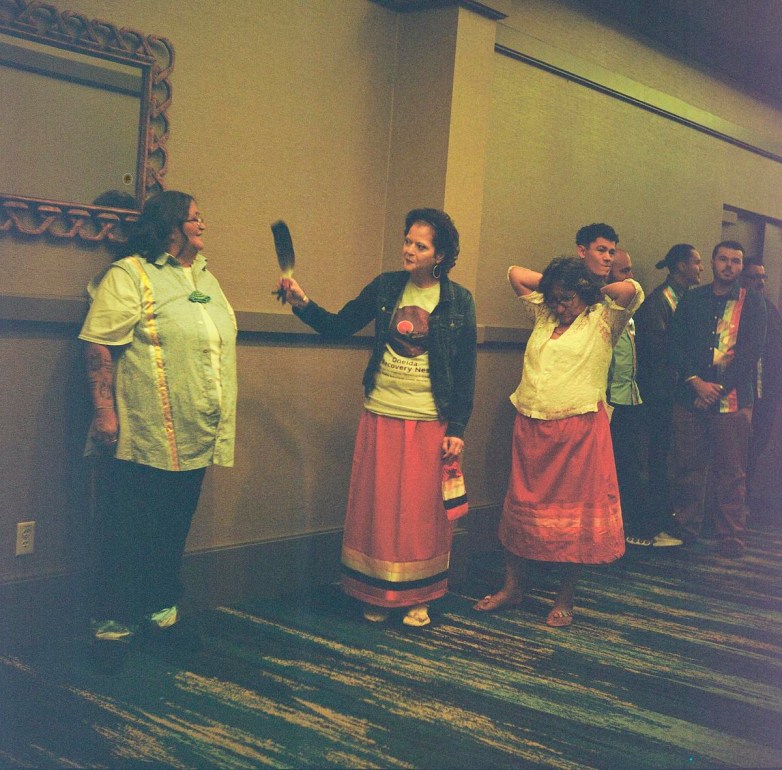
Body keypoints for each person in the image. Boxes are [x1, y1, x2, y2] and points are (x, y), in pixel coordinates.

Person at [277, 208, 477, 628]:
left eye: (420, 245)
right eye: (407, 240)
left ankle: (418, 597)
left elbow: (466, 370)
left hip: (429, 421)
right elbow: (339, 326)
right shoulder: (386, 287)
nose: (408, 249)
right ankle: (378, 593)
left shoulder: (458, 300)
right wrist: (303, 304)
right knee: (380, 512)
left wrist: (457, 429)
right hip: (381, 414)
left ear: (439, 255)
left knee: (422, 516)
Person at [79, 190, 237, 664]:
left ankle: (160, 613)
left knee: (172, 527)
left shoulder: (204, 276)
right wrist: (105, 413)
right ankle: (112, 625)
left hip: (196, 432)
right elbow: (98, 347)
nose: (202, 225)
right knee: (128, 527)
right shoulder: (130, 274)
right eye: (194, 218)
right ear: (170, 228)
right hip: (145, 433)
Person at [474, 257, 643, 626]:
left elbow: (629, 290)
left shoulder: (602, 320)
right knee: (519, 504)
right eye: (554, 298)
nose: (559, 305)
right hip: (531, 426)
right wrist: (555, 283)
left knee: (573, 516)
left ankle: (564, 598)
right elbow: (514, 272)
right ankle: (511, 587)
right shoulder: (544, 316)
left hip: (579, 430)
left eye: (566, 299)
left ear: (583, 295)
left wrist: (587, 288)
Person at [668, 241, 766, 557]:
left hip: (734, 400)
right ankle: (687, 529)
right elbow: (675, 344)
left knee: (732, 471)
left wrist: (715, 391)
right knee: (688, 466)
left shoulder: (753, 303)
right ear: (712, 262)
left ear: (740, 267)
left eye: (735, 261)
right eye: (722, 259)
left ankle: (731, 537)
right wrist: (696, 383)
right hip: (691, 396)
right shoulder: (693, 299)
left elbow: (750, 354)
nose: (728, 265)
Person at [633, 243, 704, 545]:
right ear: (681, 266)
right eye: (697, 262)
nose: (701, 268)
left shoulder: (687, 297)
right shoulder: (659, 301)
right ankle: (656, 519)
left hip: (678, 391)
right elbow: (659, 352)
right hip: (662, 394)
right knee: (660, 456)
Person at [605, 249, 659, 546]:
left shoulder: (632, 312)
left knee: (632, 464)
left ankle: (632, 525)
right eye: (623, 271)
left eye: (631, 270)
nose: (630, 278)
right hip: (610, 399)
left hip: (632, 396)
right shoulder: (602, 310)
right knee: (612, 467)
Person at [740, 258, 782, 527]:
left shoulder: (769, 309)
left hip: (765, 391)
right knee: (736, 449)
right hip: (739, 392)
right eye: (755, 277)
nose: (761, 282)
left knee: (757, 444)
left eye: (764, 277)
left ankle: (746, 500)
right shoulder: (736, 308)